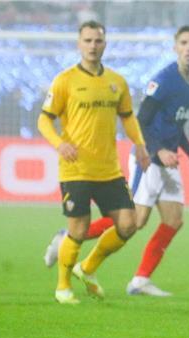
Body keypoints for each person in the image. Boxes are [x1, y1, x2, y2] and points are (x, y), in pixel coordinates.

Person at [44, 25, 189, 298]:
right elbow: (141, 121)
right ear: (175, 47)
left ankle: (140, 280)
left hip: (170, 159)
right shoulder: (164, 80)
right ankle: (68, 238)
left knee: (174, 220)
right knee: (135, 221)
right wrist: (156, 152)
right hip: (151, 159)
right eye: (184, 43)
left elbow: (175, 123)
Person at [38, 21, 150, 305]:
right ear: (79, 43)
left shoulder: (116, 82)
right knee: (78, 228)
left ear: (105, 43)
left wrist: (139, 144)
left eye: (98, 40)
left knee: (129, 224)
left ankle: (87, 268)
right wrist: (59, 144)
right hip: (75, 170)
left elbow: (127, 116)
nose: (92, 45)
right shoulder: (65, 81)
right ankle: (63, 287)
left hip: (109, 170)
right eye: (87, 40)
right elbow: (44, 119)